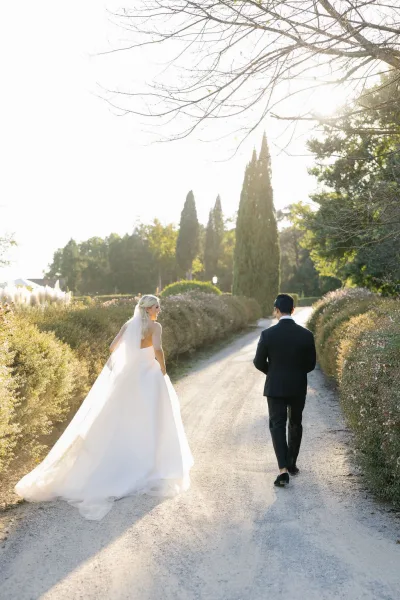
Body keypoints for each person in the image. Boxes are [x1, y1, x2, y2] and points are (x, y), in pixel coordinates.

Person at [15, 295, 194, 520]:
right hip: (150, 376)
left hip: (129, 379)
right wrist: (163, 368)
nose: (160, 309)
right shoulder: (155, 327)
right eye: (157, 306)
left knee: (123, 421)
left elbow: (112, 348)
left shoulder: (129, 325)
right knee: (154, 418)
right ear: (149, 309)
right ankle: (153, 463)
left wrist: (132, 356)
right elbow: (157, 348)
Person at [253, 294, 316, 487]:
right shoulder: (306, 335)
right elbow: (311, 364)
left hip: (275, 387)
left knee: (277, 425)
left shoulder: (268, 335)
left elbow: (258, 362)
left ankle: (282, 470)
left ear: (276, 311)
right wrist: (296, 373)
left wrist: (272, 373)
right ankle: (292, 464)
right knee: (295, 423)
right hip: (297, 386)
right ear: (293, 310)